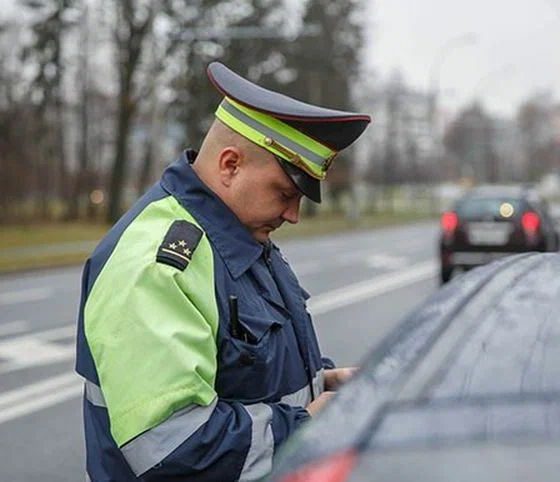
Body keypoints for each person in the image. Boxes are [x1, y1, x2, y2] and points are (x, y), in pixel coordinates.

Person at [76, 62, 371, 482]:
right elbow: (173, 446)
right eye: (285, 193)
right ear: (230, 165)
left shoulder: (239, 239)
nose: (293, 215)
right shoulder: (159, 264)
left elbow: (242, 373)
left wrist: (324, 384)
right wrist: (308, 427)